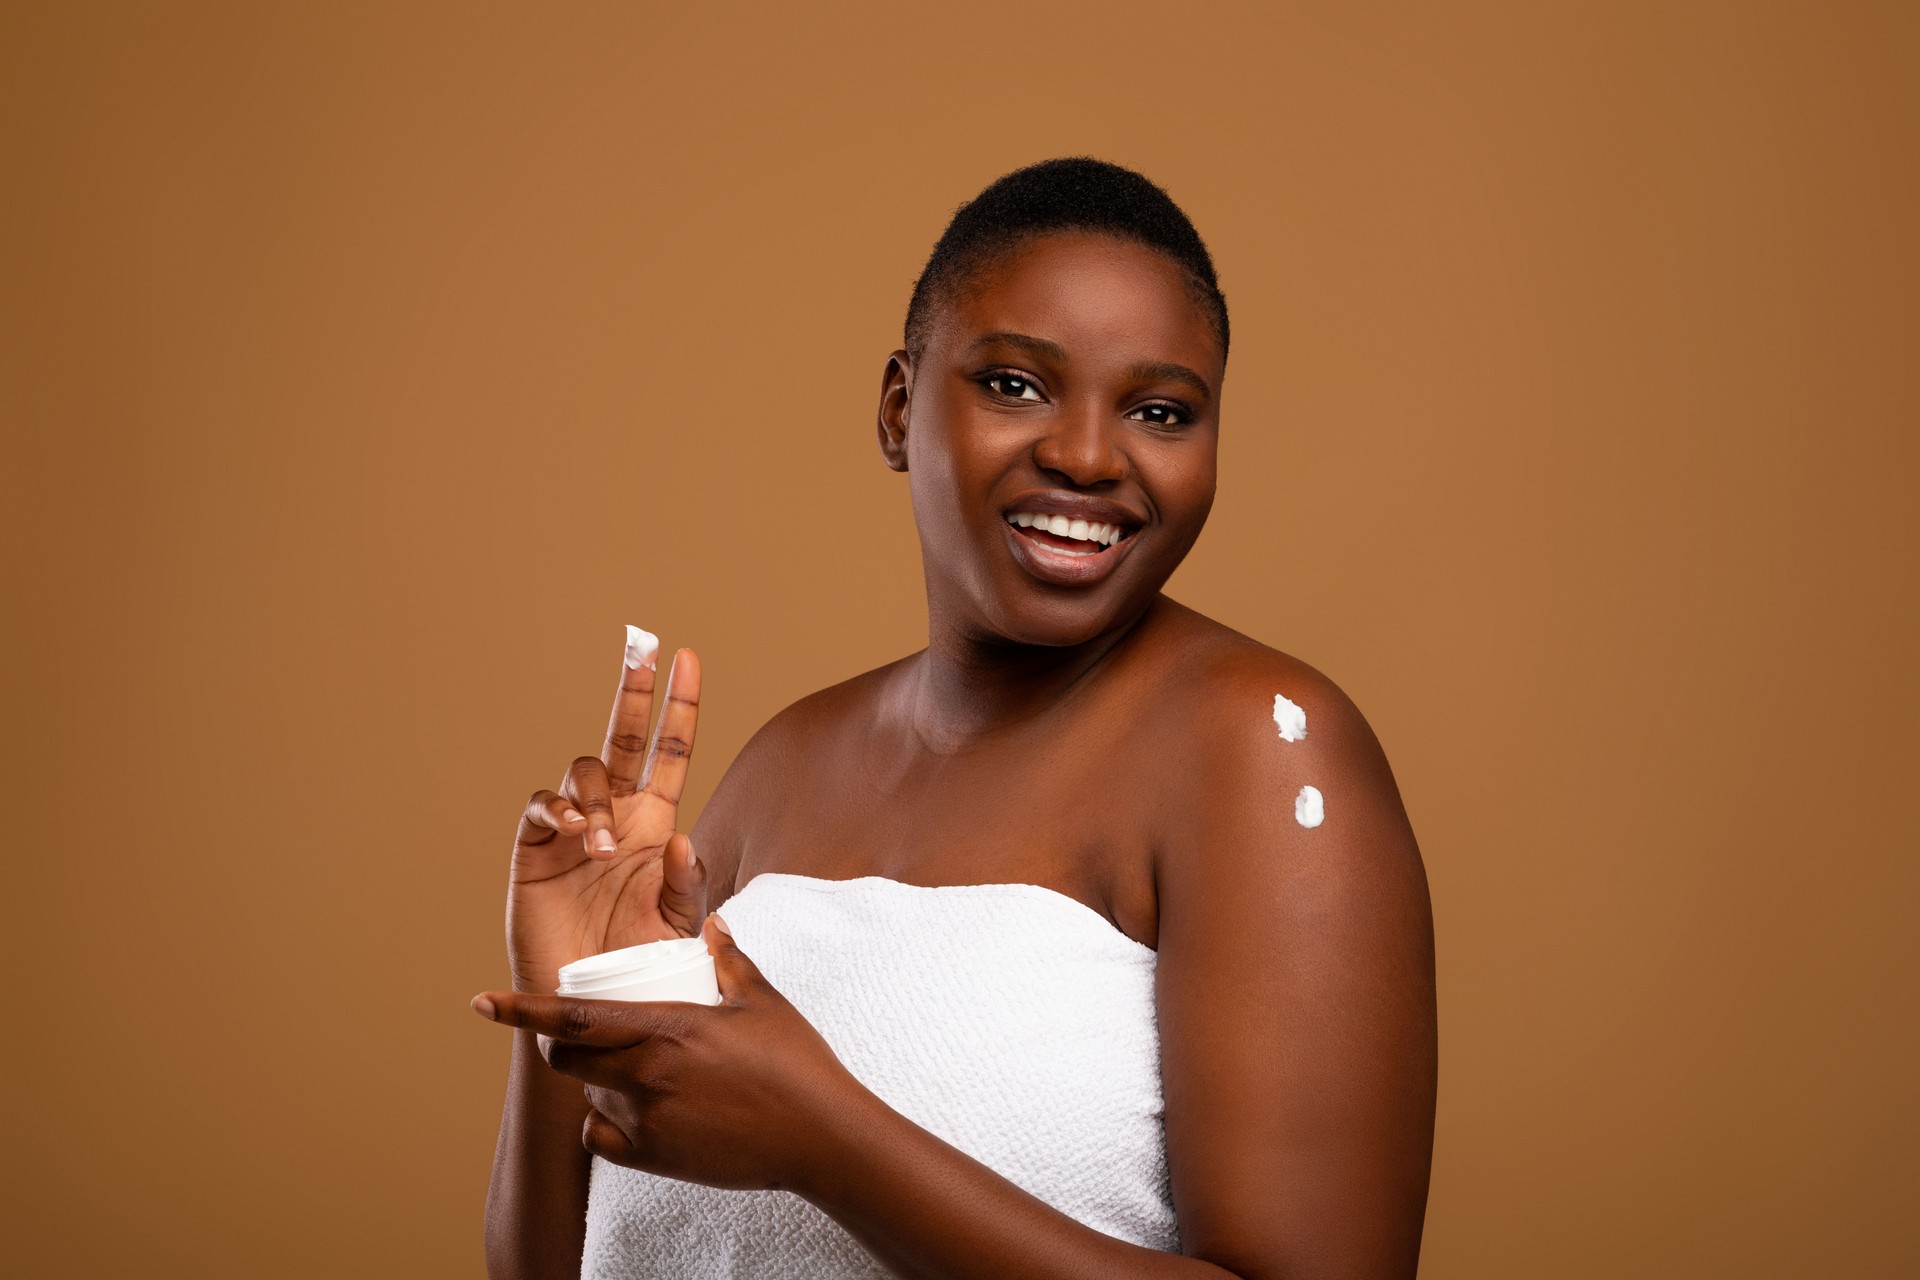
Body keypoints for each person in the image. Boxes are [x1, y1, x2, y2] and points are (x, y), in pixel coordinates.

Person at [473, 157, 1437, 1279]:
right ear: (898, 406)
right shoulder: (784, 765)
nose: (1086, 454)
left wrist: (828, 1139)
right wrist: (576, 1014)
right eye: (1017, 385)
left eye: (1160, 410)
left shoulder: (1260, 749)